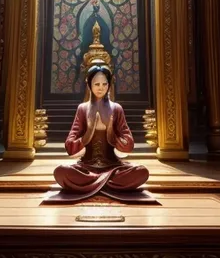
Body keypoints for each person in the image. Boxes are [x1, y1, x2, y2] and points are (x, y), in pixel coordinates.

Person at [53, 64, 149, 202]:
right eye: (96, 83)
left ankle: (92, 186)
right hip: (86, 167)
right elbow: (69, 146)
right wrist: (87, 135)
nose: (101, 87)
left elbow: (129, 145)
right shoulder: (82, 109)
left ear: (109, 84)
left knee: (141, 172)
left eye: (105, 83)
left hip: (112, 167)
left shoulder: (116, 109)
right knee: (61, 171)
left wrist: (112, 136)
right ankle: (105, 185)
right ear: (89, 84)